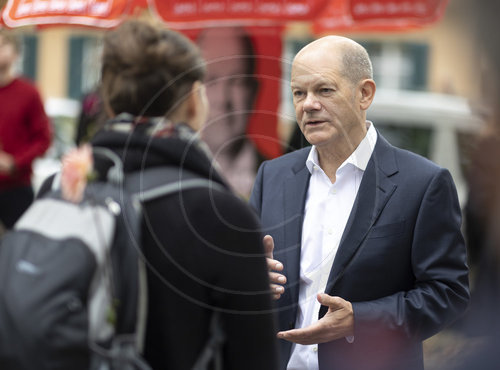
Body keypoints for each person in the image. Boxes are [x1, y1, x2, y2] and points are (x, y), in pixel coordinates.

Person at [250, 35, 470, 370]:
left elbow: (447, 294)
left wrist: (360, 320)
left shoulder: (423, 183)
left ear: (364, 93)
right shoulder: (272, 176)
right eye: (298, 92)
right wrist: (248, 278)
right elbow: (244, 279)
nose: (308, 104)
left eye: (324, 90)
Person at [79, 19, 277, 369]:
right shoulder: (222, 214)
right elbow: (255, 358)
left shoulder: (65, 189)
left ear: (108, 105)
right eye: (210, 84)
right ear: (193, 103)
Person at [196, 27, 261, 198]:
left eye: (237, 81)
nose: (223, 99)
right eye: (211, 80)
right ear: (192, 93)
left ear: (253, 93)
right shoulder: (172, 177)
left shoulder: (286, 179)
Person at [0, 29, 51, 230]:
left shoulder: (29, 92)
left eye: (3, 44)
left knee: (20, 250)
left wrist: (14, 162)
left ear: (16, 54)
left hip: (17, 188)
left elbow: (44, 139)